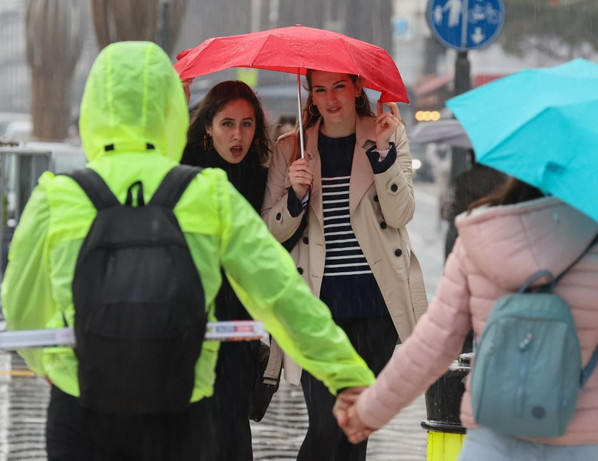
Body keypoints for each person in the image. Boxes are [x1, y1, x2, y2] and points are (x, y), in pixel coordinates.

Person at [0, 41, 374, 461]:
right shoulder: (207, 193)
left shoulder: (57, 196)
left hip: (81, 405)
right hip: (182, 406)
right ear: (171, 111)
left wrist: (49, 365)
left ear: (93, 109)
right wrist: (347, 375)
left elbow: (21, 305)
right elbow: (281, 295)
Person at [335, 178, 598, 460]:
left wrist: (368, 410)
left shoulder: (479, 237)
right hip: (582, 442)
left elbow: (431, 346)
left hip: (495, 438)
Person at [261, 69, 427, 461]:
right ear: (311, 95)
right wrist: (295, 196)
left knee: (355, 429)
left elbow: (401, 214)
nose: (331, 98)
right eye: (320, 89)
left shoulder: (387, 135)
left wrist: (383, 157)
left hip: (375, 308)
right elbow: (268, 231)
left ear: (356, 88)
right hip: (315, 308)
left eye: (339, 86)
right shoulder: (291, 148)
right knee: (324, 425)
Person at [180, 80, 272, 460]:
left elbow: (273, 247)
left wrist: (296, 198)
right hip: (190, 315)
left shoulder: (261, 177)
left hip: (238, 323)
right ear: (208, 127)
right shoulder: (184, 168)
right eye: (227, 124)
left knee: (233, 432)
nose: (238, 135)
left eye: (247, 124)